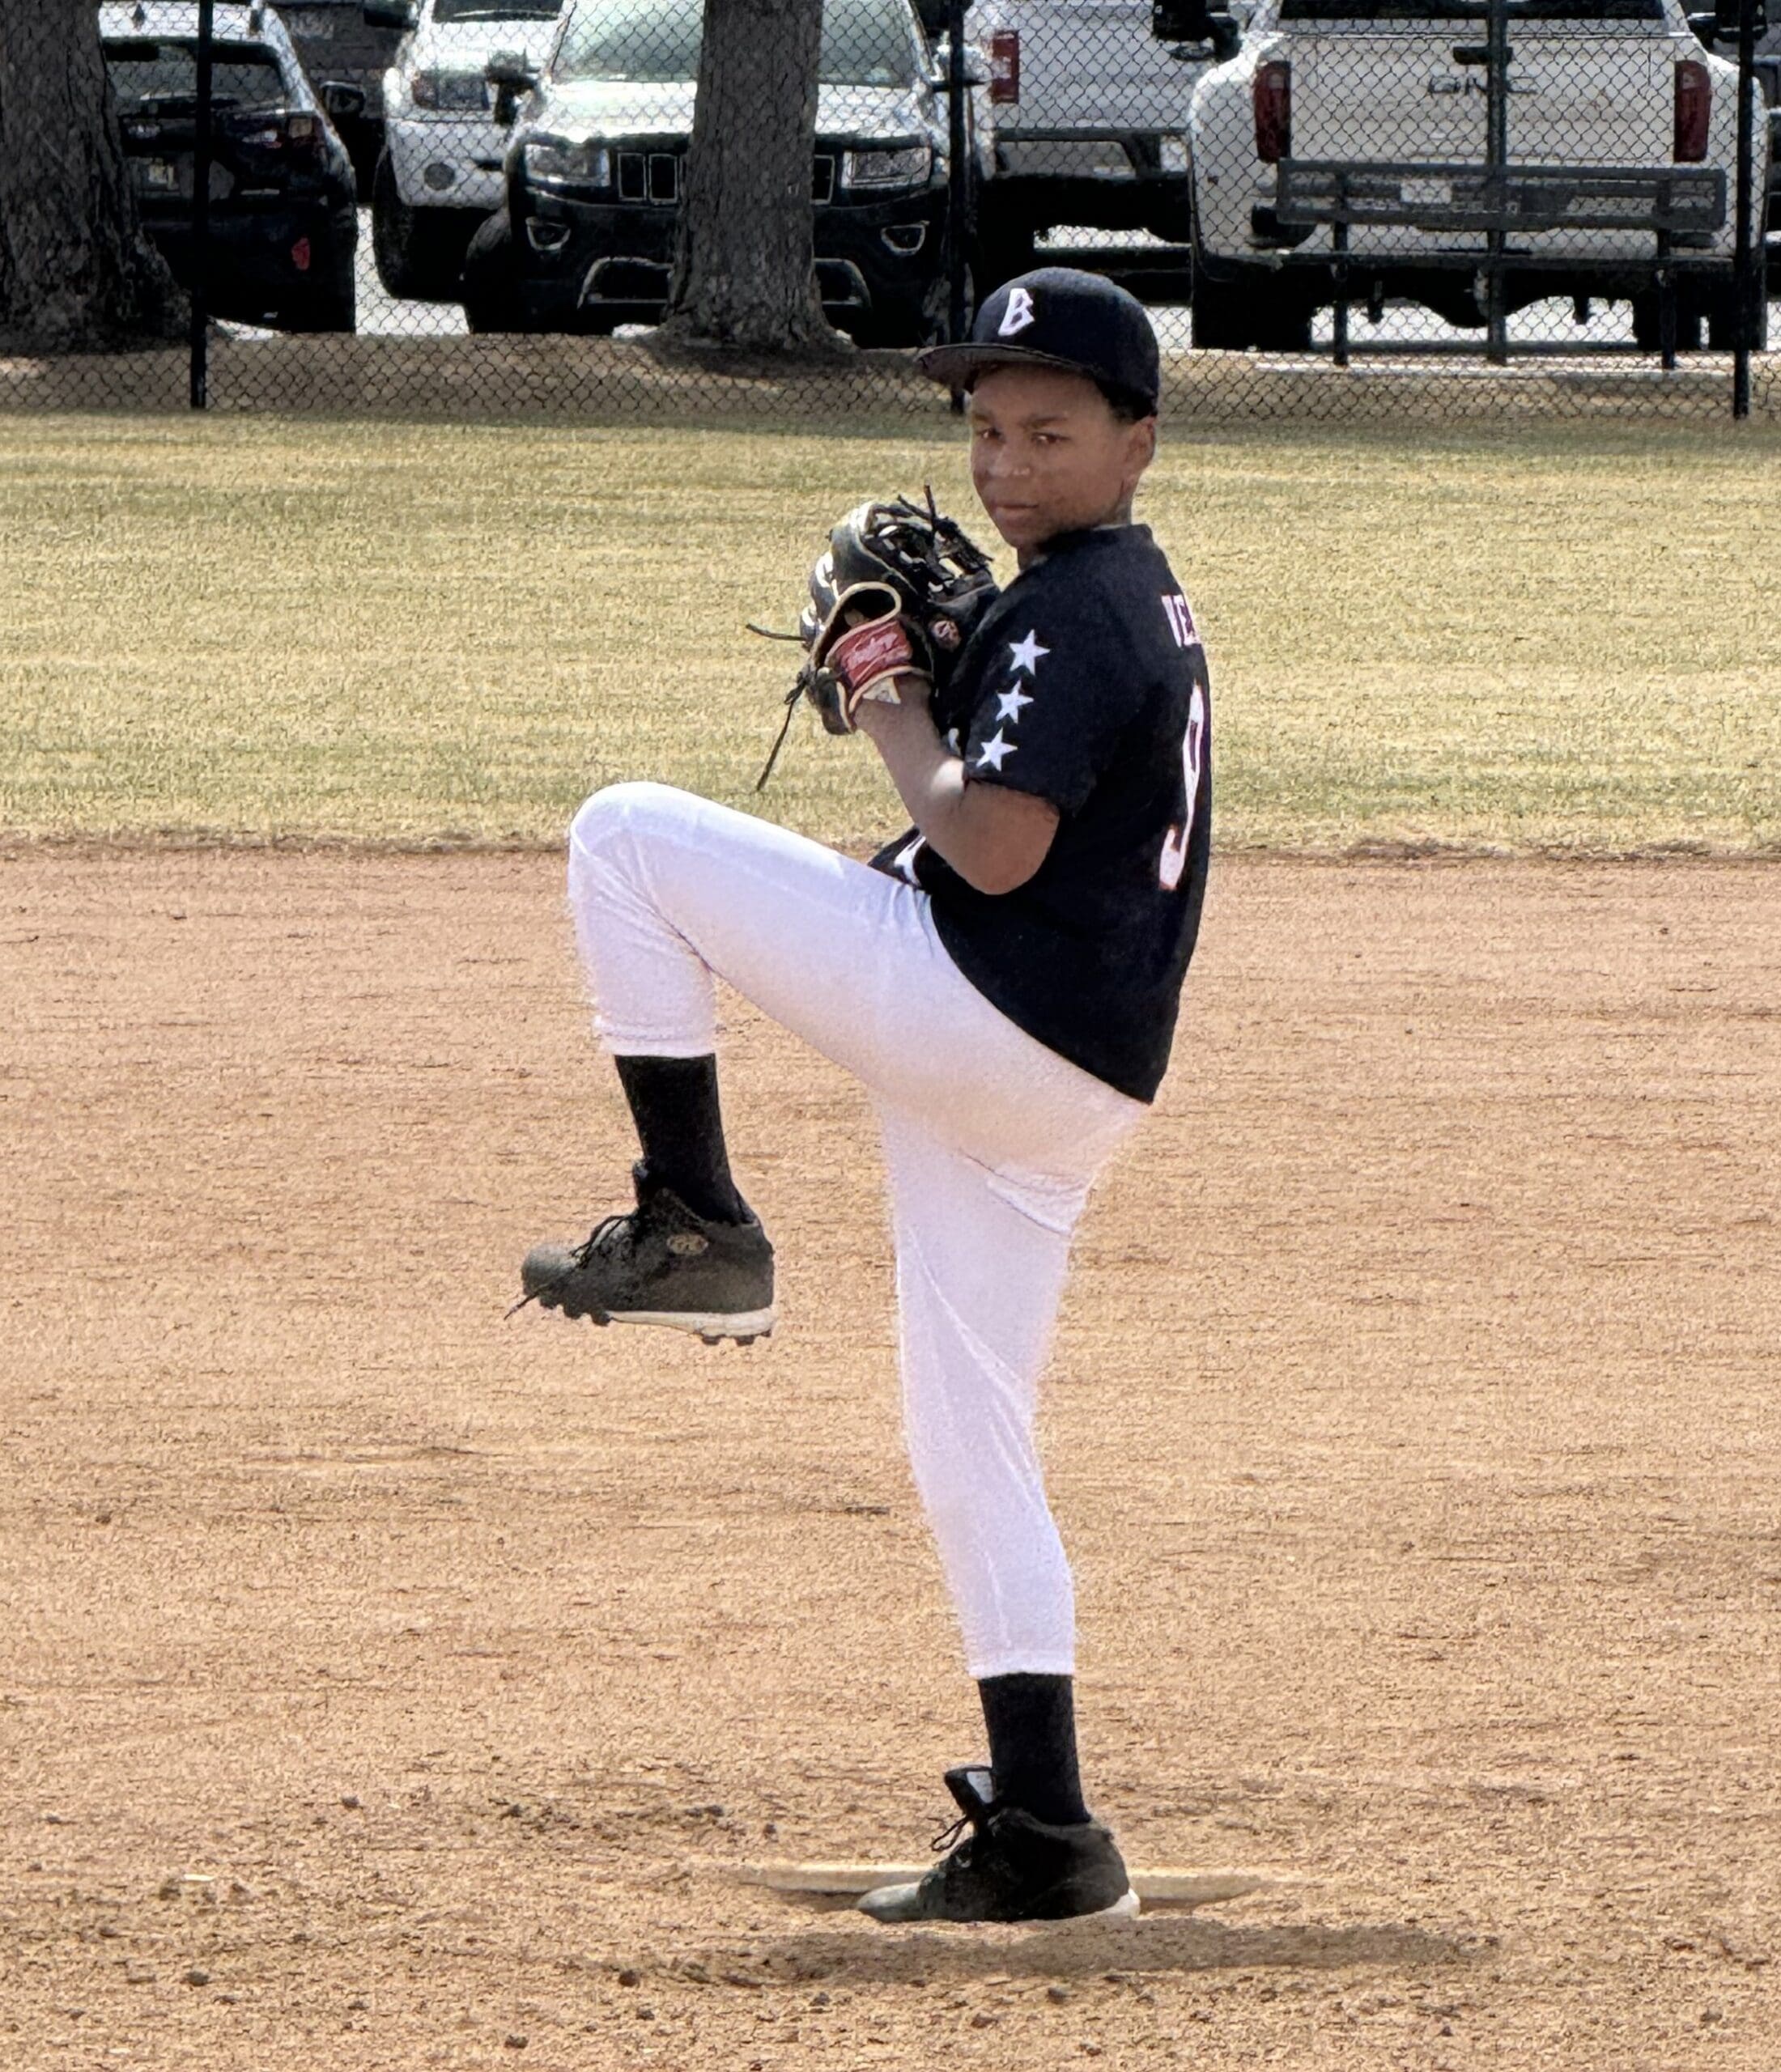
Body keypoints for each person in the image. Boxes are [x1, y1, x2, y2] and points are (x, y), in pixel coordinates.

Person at [516, 268, 1212, 1925]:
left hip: (993, 1015)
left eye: (1050, 432)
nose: (1006, 464)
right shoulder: (1124, 595)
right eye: (987, 429)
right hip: (1072, 1076)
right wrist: (947, 673)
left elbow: (990, 845)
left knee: (624, 837)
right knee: (968, 1429)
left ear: (1138, 442)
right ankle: (1047, 1830)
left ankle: (696, 1218)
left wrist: (891, 690)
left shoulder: (1079, 608)